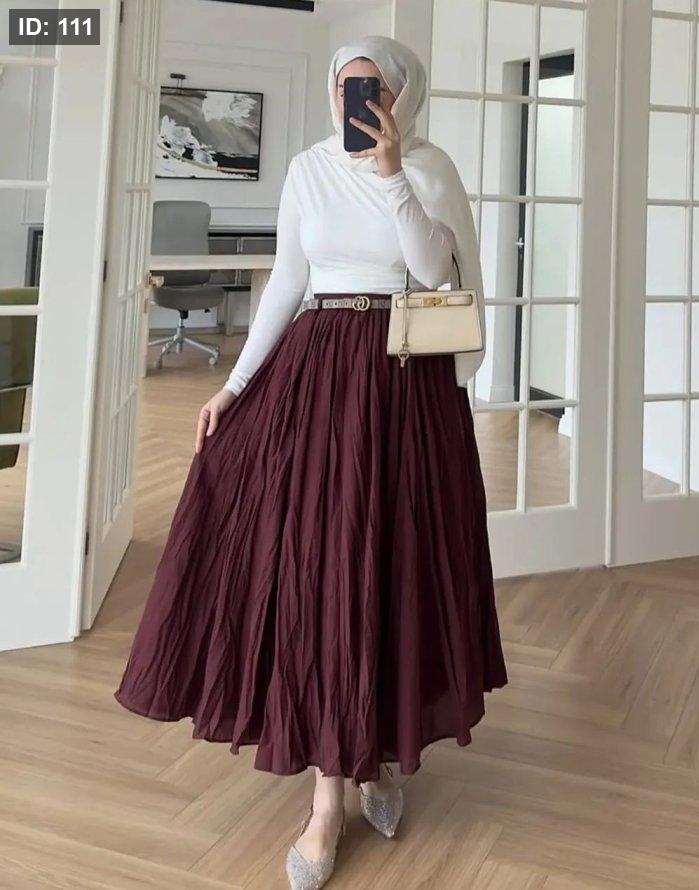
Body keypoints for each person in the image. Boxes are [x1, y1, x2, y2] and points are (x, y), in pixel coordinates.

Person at [114, 35, 508, 890]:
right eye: (343, 87)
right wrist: (234, 385)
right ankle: (327, 797)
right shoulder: (305, 170)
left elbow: (434, 272)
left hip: (405, 380)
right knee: (323, 570)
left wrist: (392, 174)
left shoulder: (429, 168)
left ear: (400, 96)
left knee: (393, 565)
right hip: (319, 373)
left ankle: (381, 752)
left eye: (372, 89)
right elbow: (288, 282)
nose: (354, 102)